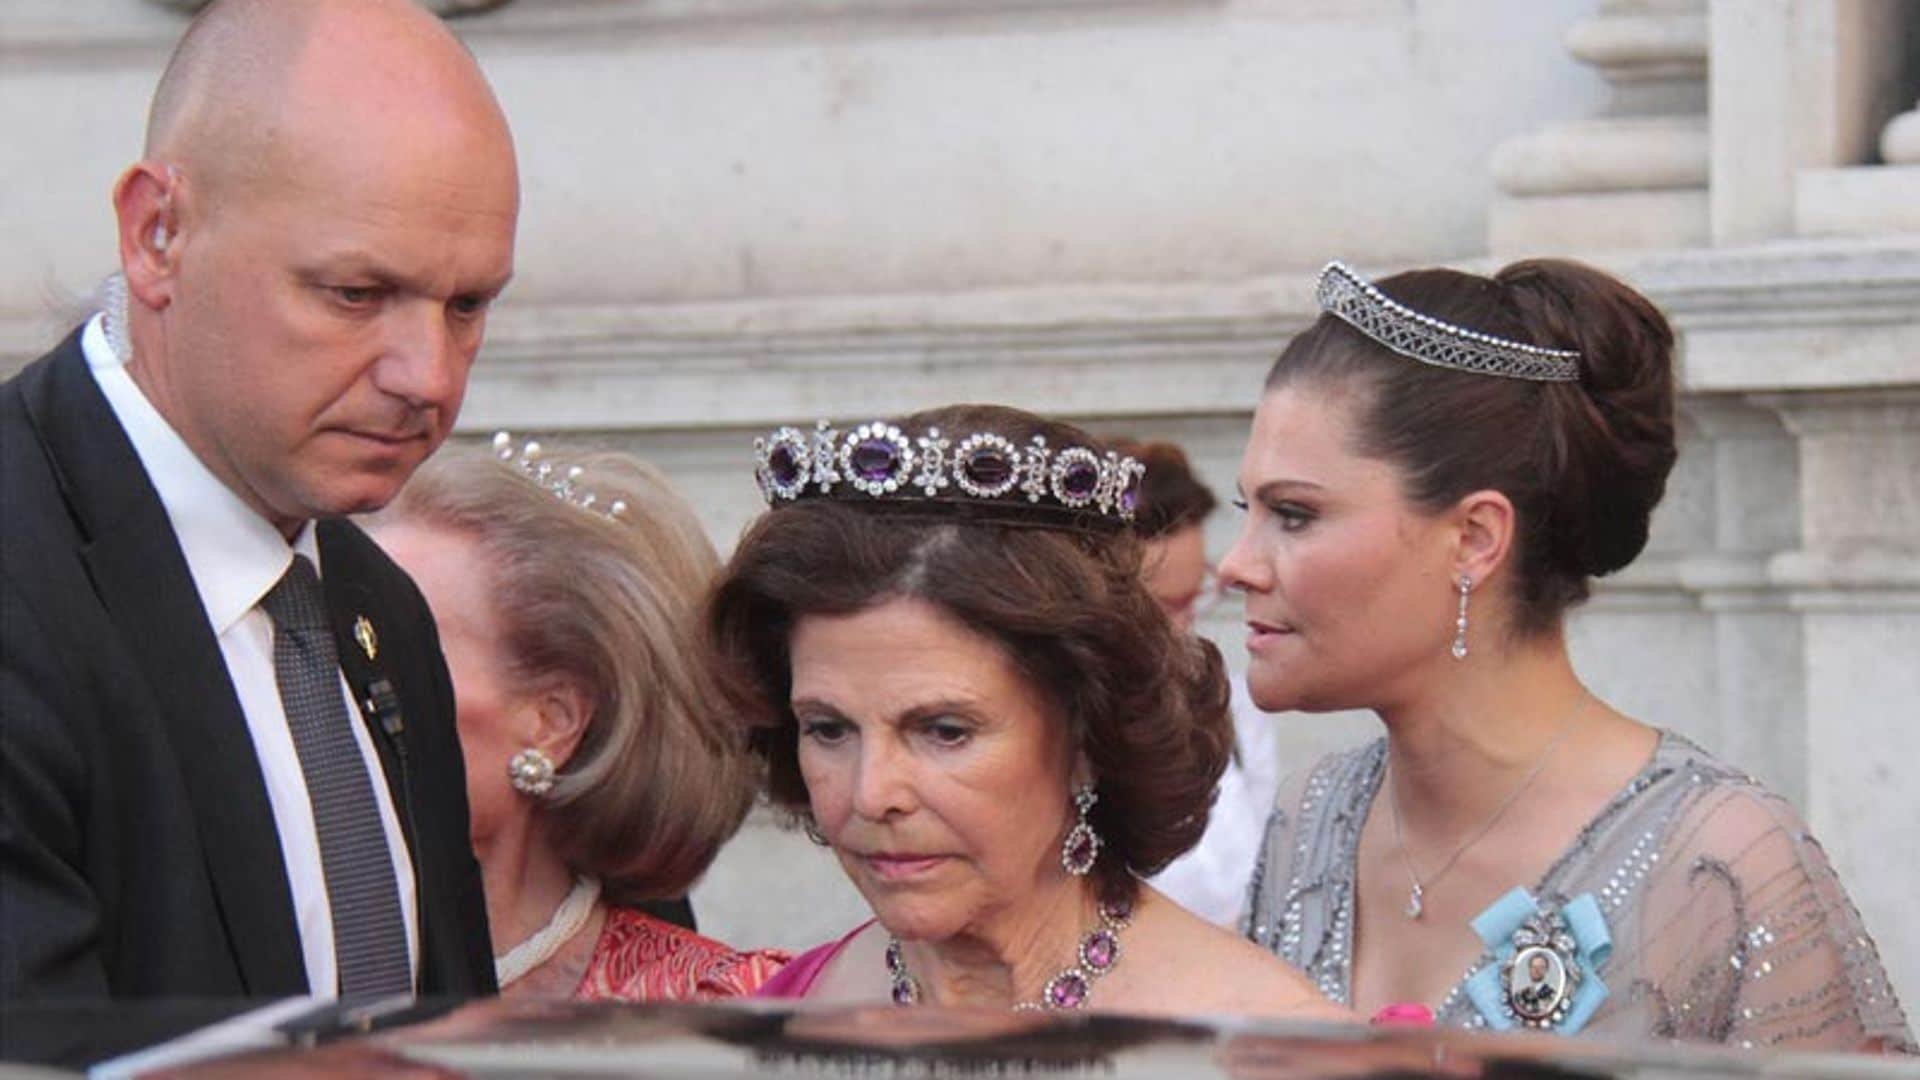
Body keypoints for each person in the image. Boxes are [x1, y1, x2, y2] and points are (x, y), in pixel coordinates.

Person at [1229, 260, 1914, 1051]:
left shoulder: (1713, 862)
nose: (1237, 564)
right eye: (1253, 511)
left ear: (1475, 540)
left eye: (1294, 515)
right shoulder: (1308, 820)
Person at [0, 0, 517, 1045]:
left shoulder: (378, 606)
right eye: (356, 293)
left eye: (468, 306)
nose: (429, 378)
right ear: (158, 235)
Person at [710, 405, 1346, 1020]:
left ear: (1088, 735)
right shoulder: (785, 1014)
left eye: (943, 731)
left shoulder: (1271, 1049)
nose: (872, 794)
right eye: (828, 729)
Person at [368, 440, 789, 1000]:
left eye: (400, 647)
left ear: (552, 722)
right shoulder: (284, 961)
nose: (346, 679)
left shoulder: (725, 1012)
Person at [1113, 439, 1284, 930]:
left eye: (1193, 599)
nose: (1183, 628)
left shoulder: (1236, 711)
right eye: (1162, 607)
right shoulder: (1062, 737)